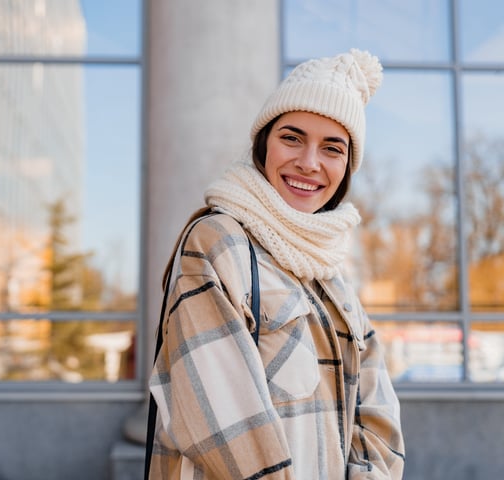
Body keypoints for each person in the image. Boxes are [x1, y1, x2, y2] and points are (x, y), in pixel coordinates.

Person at [147, 49, 405, 479]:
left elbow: (377, 410)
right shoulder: (218, 241)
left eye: (332, 148)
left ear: (346, 166)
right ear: (264, 143)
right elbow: (222, 422)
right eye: (292, 137)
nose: (309, 162)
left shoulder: (330, 269)